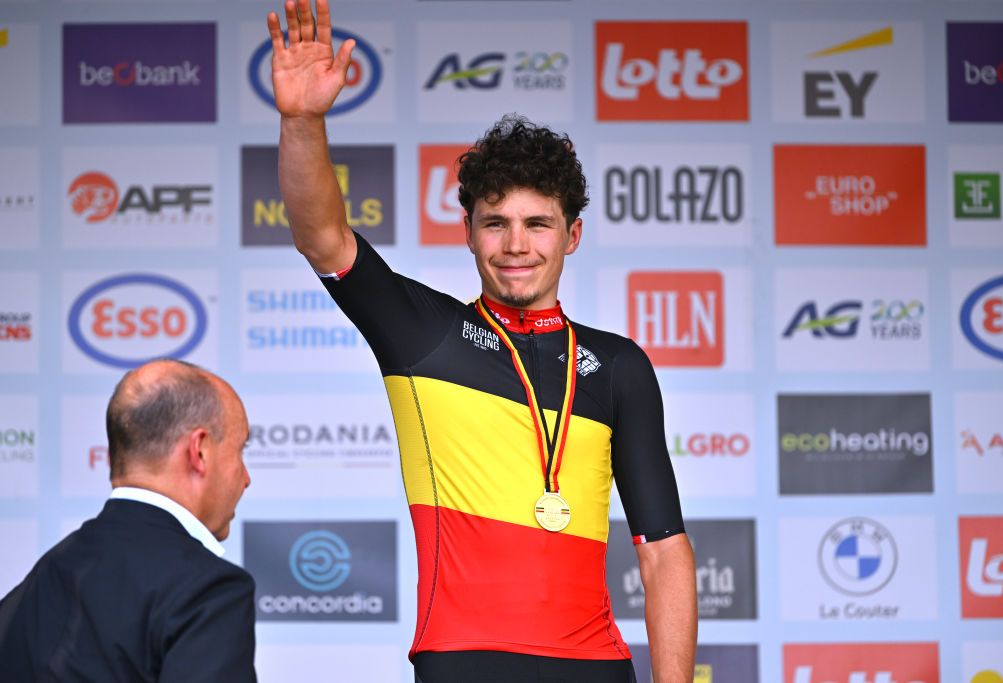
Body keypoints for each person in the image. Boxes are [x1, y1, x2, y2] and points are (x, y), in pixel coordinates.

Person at [267, 1, 698, 681]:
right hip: (463, 665)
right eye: (495, 222)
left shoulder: (618, 366)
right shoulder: (421, 333)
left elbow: (664, 548)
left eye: (538, 223)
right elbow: (322, 236)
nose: (517, 244)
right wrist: (302, 121)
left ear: (572, 235)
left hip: (595, 667)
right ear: (467, 232)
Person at [0, 359, 256, 683]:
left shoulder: (35, 586)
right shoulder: (207, 591)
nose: (246, 478)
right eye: (240, 450)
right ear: (200, 451)